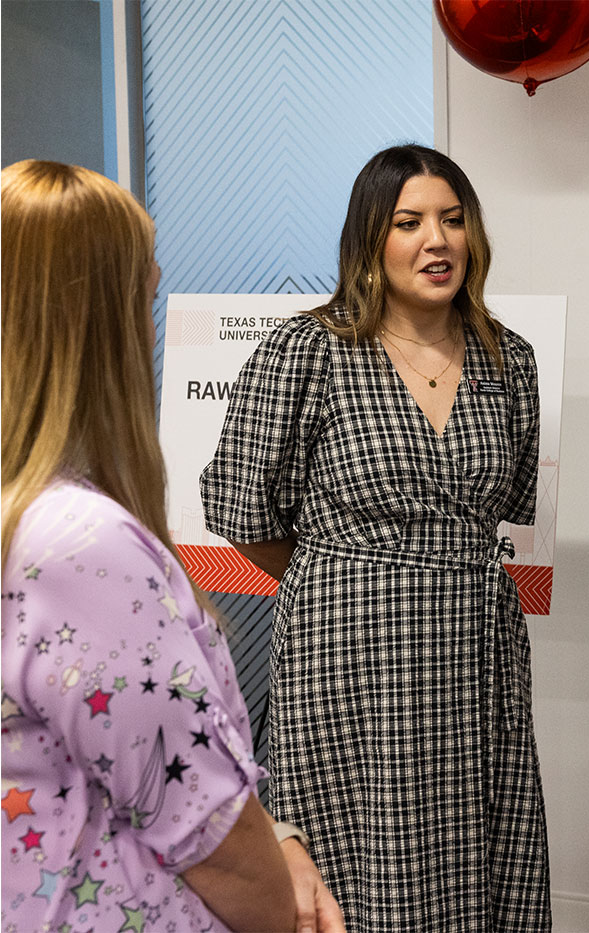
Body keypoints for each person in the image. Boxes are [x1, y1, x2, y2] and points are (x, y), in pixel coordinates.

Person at [200, 145, 548, 930]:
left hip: (474, 647)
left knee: (477, 844)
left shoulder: (510, 360)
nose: (438, 240)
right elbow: (240, 508)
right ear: (370, 239)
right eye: (410, 222)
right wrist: (344, 572)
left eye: (454, 220)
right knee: (354, 863)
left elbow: (507, 501)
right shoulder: (307, 350)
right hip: (347, 651)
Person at [1, 160, 343, 933]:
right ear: (103, 318)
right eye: (145, 292)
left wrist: (277, 833)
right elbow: (203, 825)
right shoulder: (80, 546)